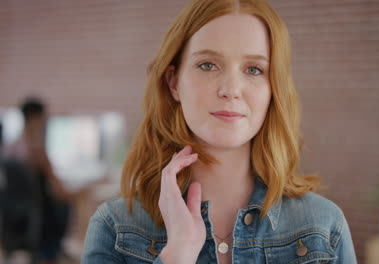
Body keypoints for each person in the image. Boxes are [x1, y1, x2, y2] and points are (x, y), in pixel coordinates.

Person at [82, 0, 357, 263]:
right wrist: (177, 255)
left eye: (253, 69)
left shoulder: (324, 229)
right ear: (174, 82)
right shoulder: (115, 228)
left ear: (274, 89)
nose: (231, 89)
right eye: (208, 65)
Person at [3, 98, 72, 264]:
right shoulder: (37, 151)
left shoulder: (9, 148)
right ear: (36, 118)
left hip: (14, 216)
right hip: (42, 219)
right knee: (72, 200)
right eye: (44, 118)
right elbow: (59, 190)